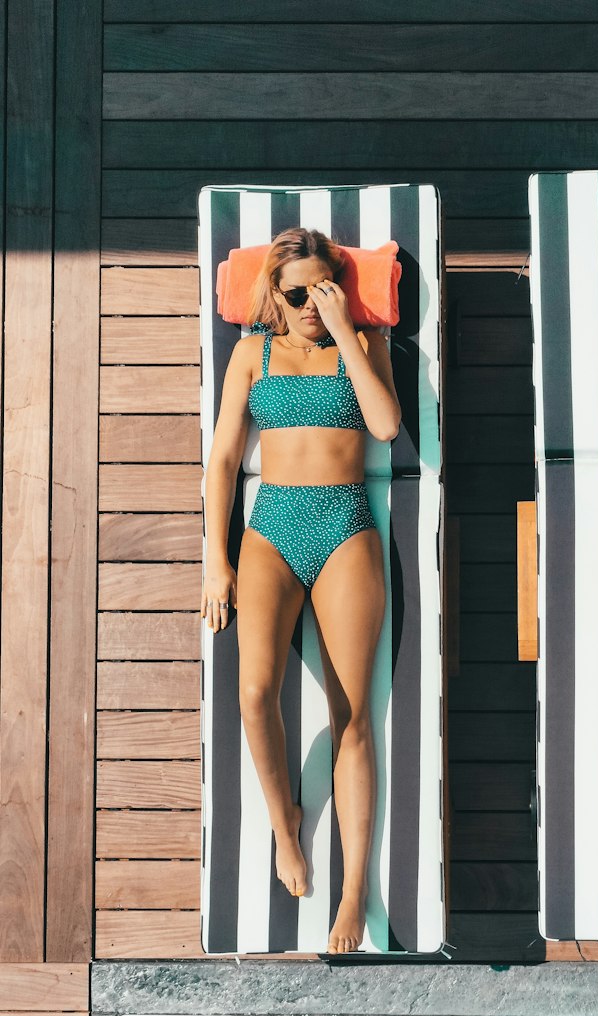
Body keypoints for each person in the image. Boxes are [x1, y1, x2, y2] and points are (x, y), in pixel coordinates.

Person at [201, 227, 401, 955]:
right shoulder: (251, 355)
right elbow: (224, 458)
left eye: (326, 289)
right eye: (299, 293)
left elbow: (384, 425)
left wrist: (349, 328)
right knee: (255, 694)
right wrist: (214, 561)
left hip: (345, 521)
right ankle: (285, 826)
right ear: (272, 295)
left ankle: (354, 892)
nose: (312, 305)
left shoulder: (363, 344)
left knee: (352, 715)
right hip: (273, 524)